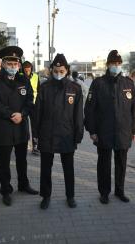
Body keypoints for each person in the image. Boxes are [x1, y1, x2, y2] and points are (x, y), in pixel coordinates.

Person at [84, 50, 135, 204]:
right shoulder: (98, 83)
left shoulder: (128, 83)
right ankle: (104, 192)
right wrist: (92, 130)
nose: (116, 66)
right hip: (104, 131)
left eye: (118, 64)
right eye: (113, 64)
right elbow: (89, 109)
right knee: (104, 164)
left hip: (123, 131)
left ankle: (120, 191)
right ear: (108, 65)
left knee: (121, 163)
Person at [0, 46, 38, 206]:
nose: (13, 66)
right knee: (4, 162)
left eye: (16, 63)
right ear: (3, 64)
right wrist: (10, 114)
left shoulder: (24, 80)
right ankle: (6, 190)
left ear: (19, 65)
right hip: (4, 127)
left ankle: (23, 184)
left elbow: (30, 100)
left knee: (22, 160)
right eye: (10, 63)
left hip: (21, 126)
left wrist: (21, 114)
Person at [34, 53, 84, 209]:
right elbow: (38, 112)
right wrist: (35, 134)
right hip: (47, 134)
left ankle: (70, 196)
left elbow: (78, 115)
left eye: (61, 71)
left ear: (67, 70)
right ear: (51, 71)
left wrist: (78, 134)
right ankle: (46, 196)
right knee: (45, 168)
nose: (58, 74)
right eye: (55, 71)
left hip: (66, 134)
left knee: (68, 168)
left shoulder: (75, 88)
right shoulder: (44, 87)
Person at [22, 61, 40, 155]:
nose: (27, 72)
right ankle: (23, 144)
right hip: (23, 105)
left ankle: (35, 146)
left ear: (31, 69)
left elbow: (39, 91)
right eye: (25, 70)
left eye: (29, 70)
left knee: (35, 126)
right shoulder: (20, 76)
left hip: (34, 105)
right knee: (24, 126)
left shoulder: (36, 77)